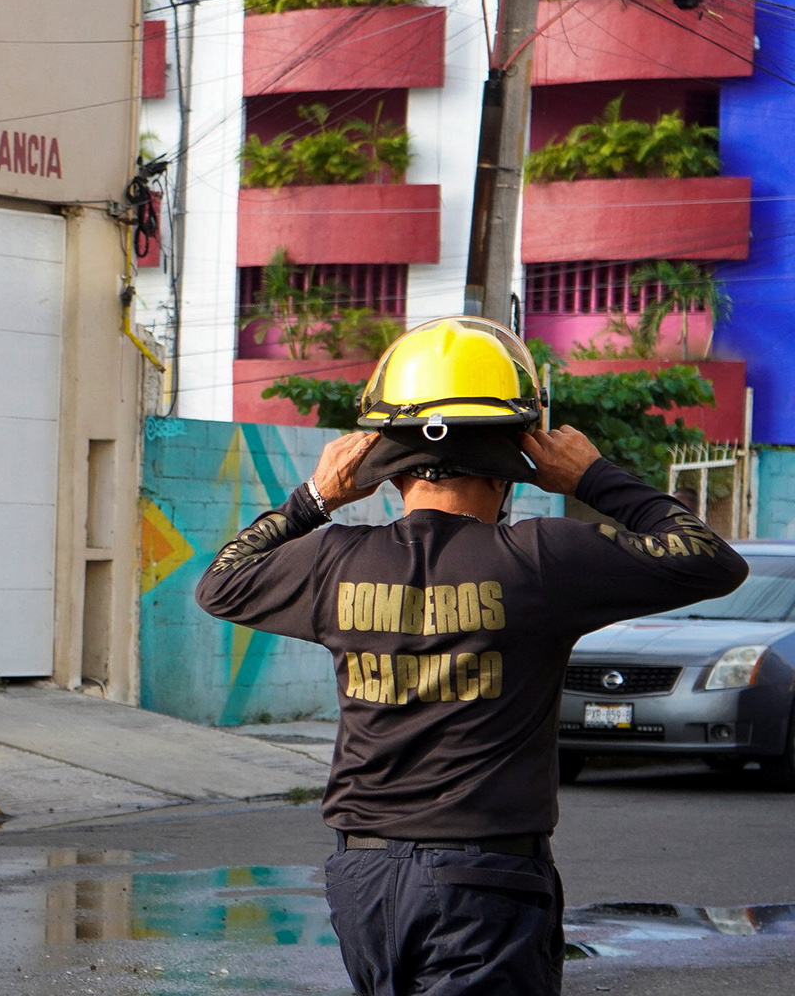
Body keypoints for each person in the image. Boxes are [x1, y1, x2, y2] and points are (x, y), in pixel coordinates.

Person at [194, 317, 747, 996]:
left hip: (363, 885)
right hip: (483, 885)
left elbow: (220, 581)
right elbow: (710, 559)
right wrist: (595, 475)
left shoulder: (333, 562)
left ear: (382, 458)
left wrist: (315, 497)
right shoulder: (541, 560)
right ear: (516, 453)